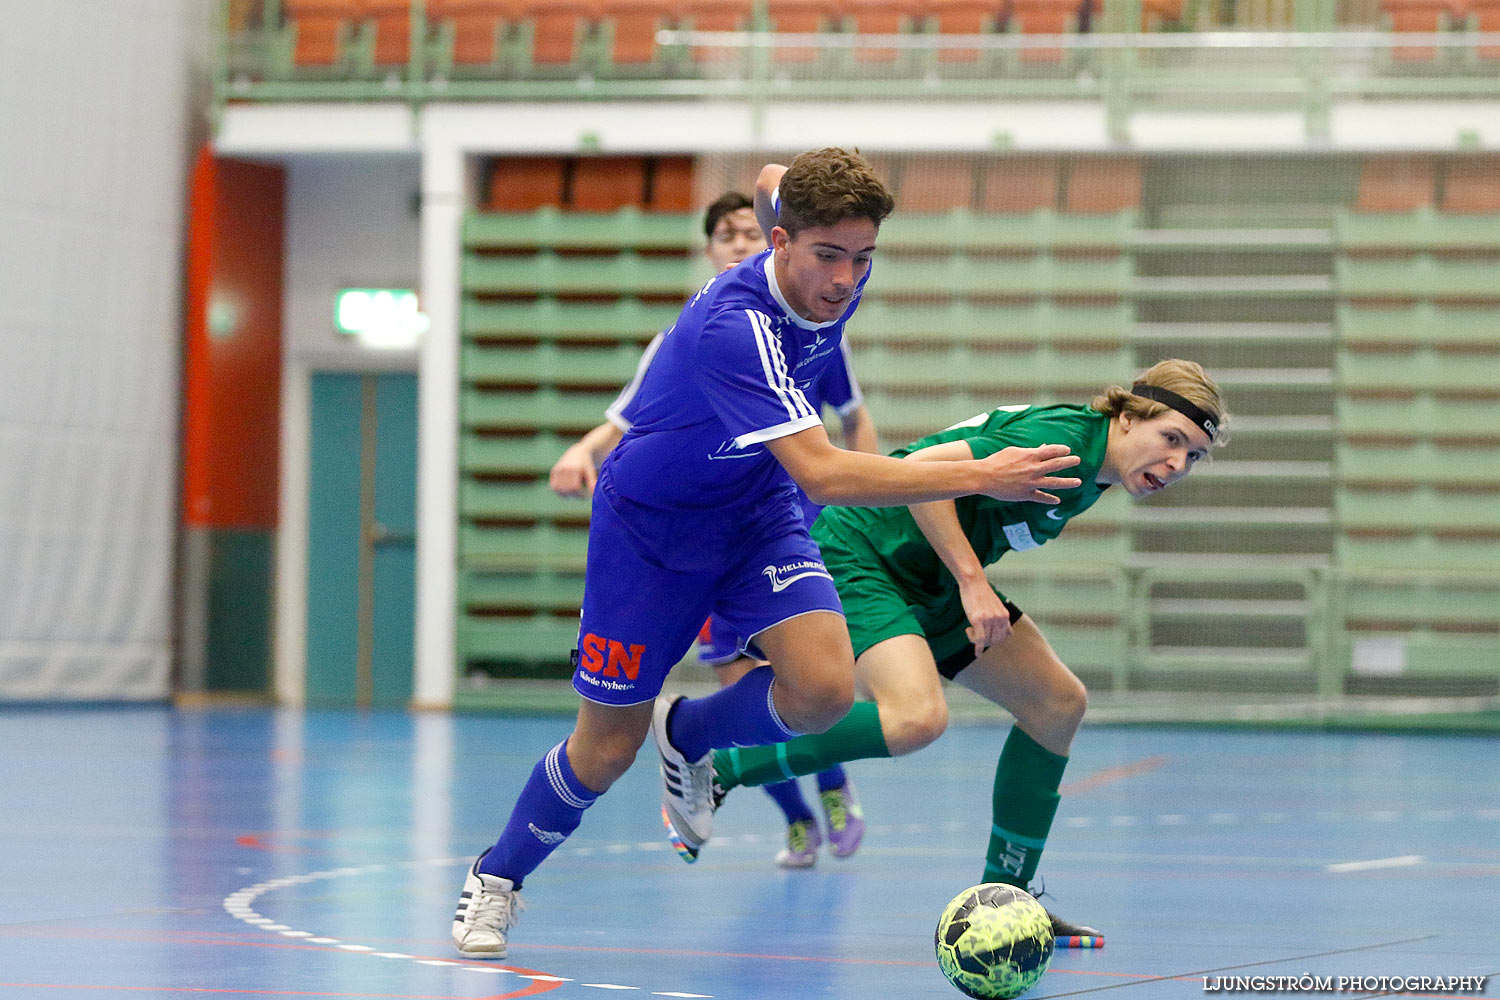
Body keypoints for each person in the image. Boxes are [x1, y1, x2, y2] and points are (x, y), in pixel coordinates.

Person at [451, 147, 1084, 959]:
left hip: (756, 516)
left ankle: (692, 731)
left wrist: (794, 179)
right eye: (828, 256)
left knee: (821, 689)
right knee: (606, 748)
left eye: (863, 259)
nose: (846, 279)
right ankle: (498, 875)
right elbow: (822, 469)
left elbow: (773, 177)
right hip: (650, 533)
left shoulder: (825, 260)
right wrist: (981, 475)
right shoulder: (736, 329)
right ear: (778, 244)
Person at [701, 359, 1230, 946]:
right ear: (1129, 417)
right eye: (1172, 439)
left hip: (931, 576)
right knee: (915, 718)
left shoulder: (1099, 469)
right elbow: (921, 469)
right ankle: (722, 765)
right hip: (867, 551)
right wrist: (973, 580)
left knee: (1057, 705)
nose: (1178, 463)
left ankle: (1010, 901)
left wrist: (963, 578)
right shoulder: (1060, 447)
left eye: (1195, 455)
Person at [549, 191, 880, 869]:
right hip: (690, 533)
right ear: (712, 251)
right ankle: (793, 817)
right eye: (724, 234)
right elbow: (628, 422)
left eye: (745, 228)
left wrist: (859, 491)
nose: (738, 241)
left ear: (771, 235)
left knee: (815, 681)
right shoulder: (701, 333)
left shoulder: (821, 310)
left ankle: (836, 786)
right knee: (740, 687)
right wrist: (582, 451)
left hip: (785, 518)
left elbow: (850, 422)